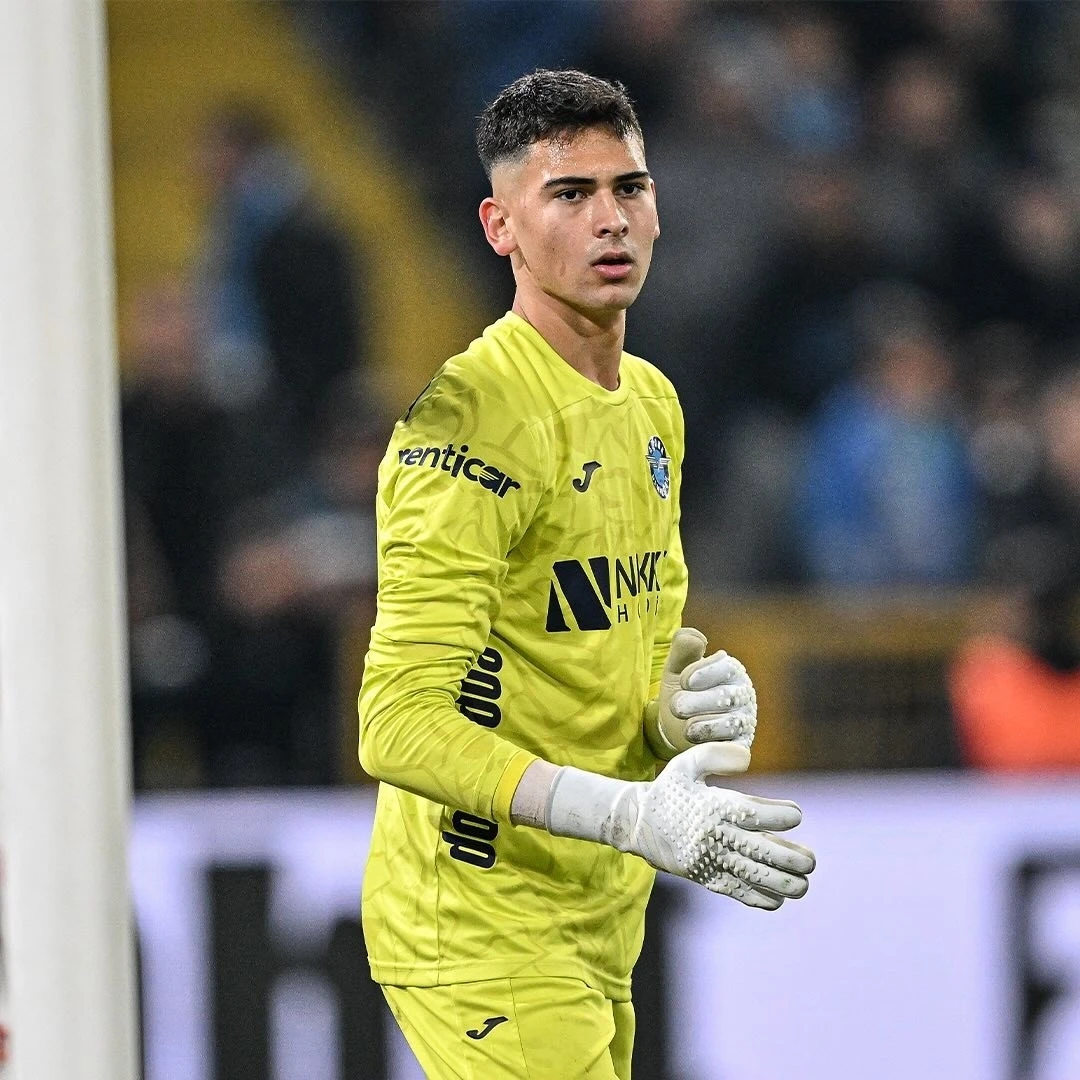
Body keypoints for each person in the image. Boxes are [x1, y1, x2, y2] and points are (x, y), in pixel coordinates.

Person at [358, 69, 815, 1079]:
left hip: (596, 910)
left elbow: (604, 648)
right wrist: (625, 813)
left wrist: (672, 713)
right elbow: (398, 723)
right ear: (500, 228)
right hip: (480, 919)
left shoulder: (650, 403)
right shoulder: (470, 423)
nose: (610, 219)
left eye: (628, 188)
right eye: (569, 194)